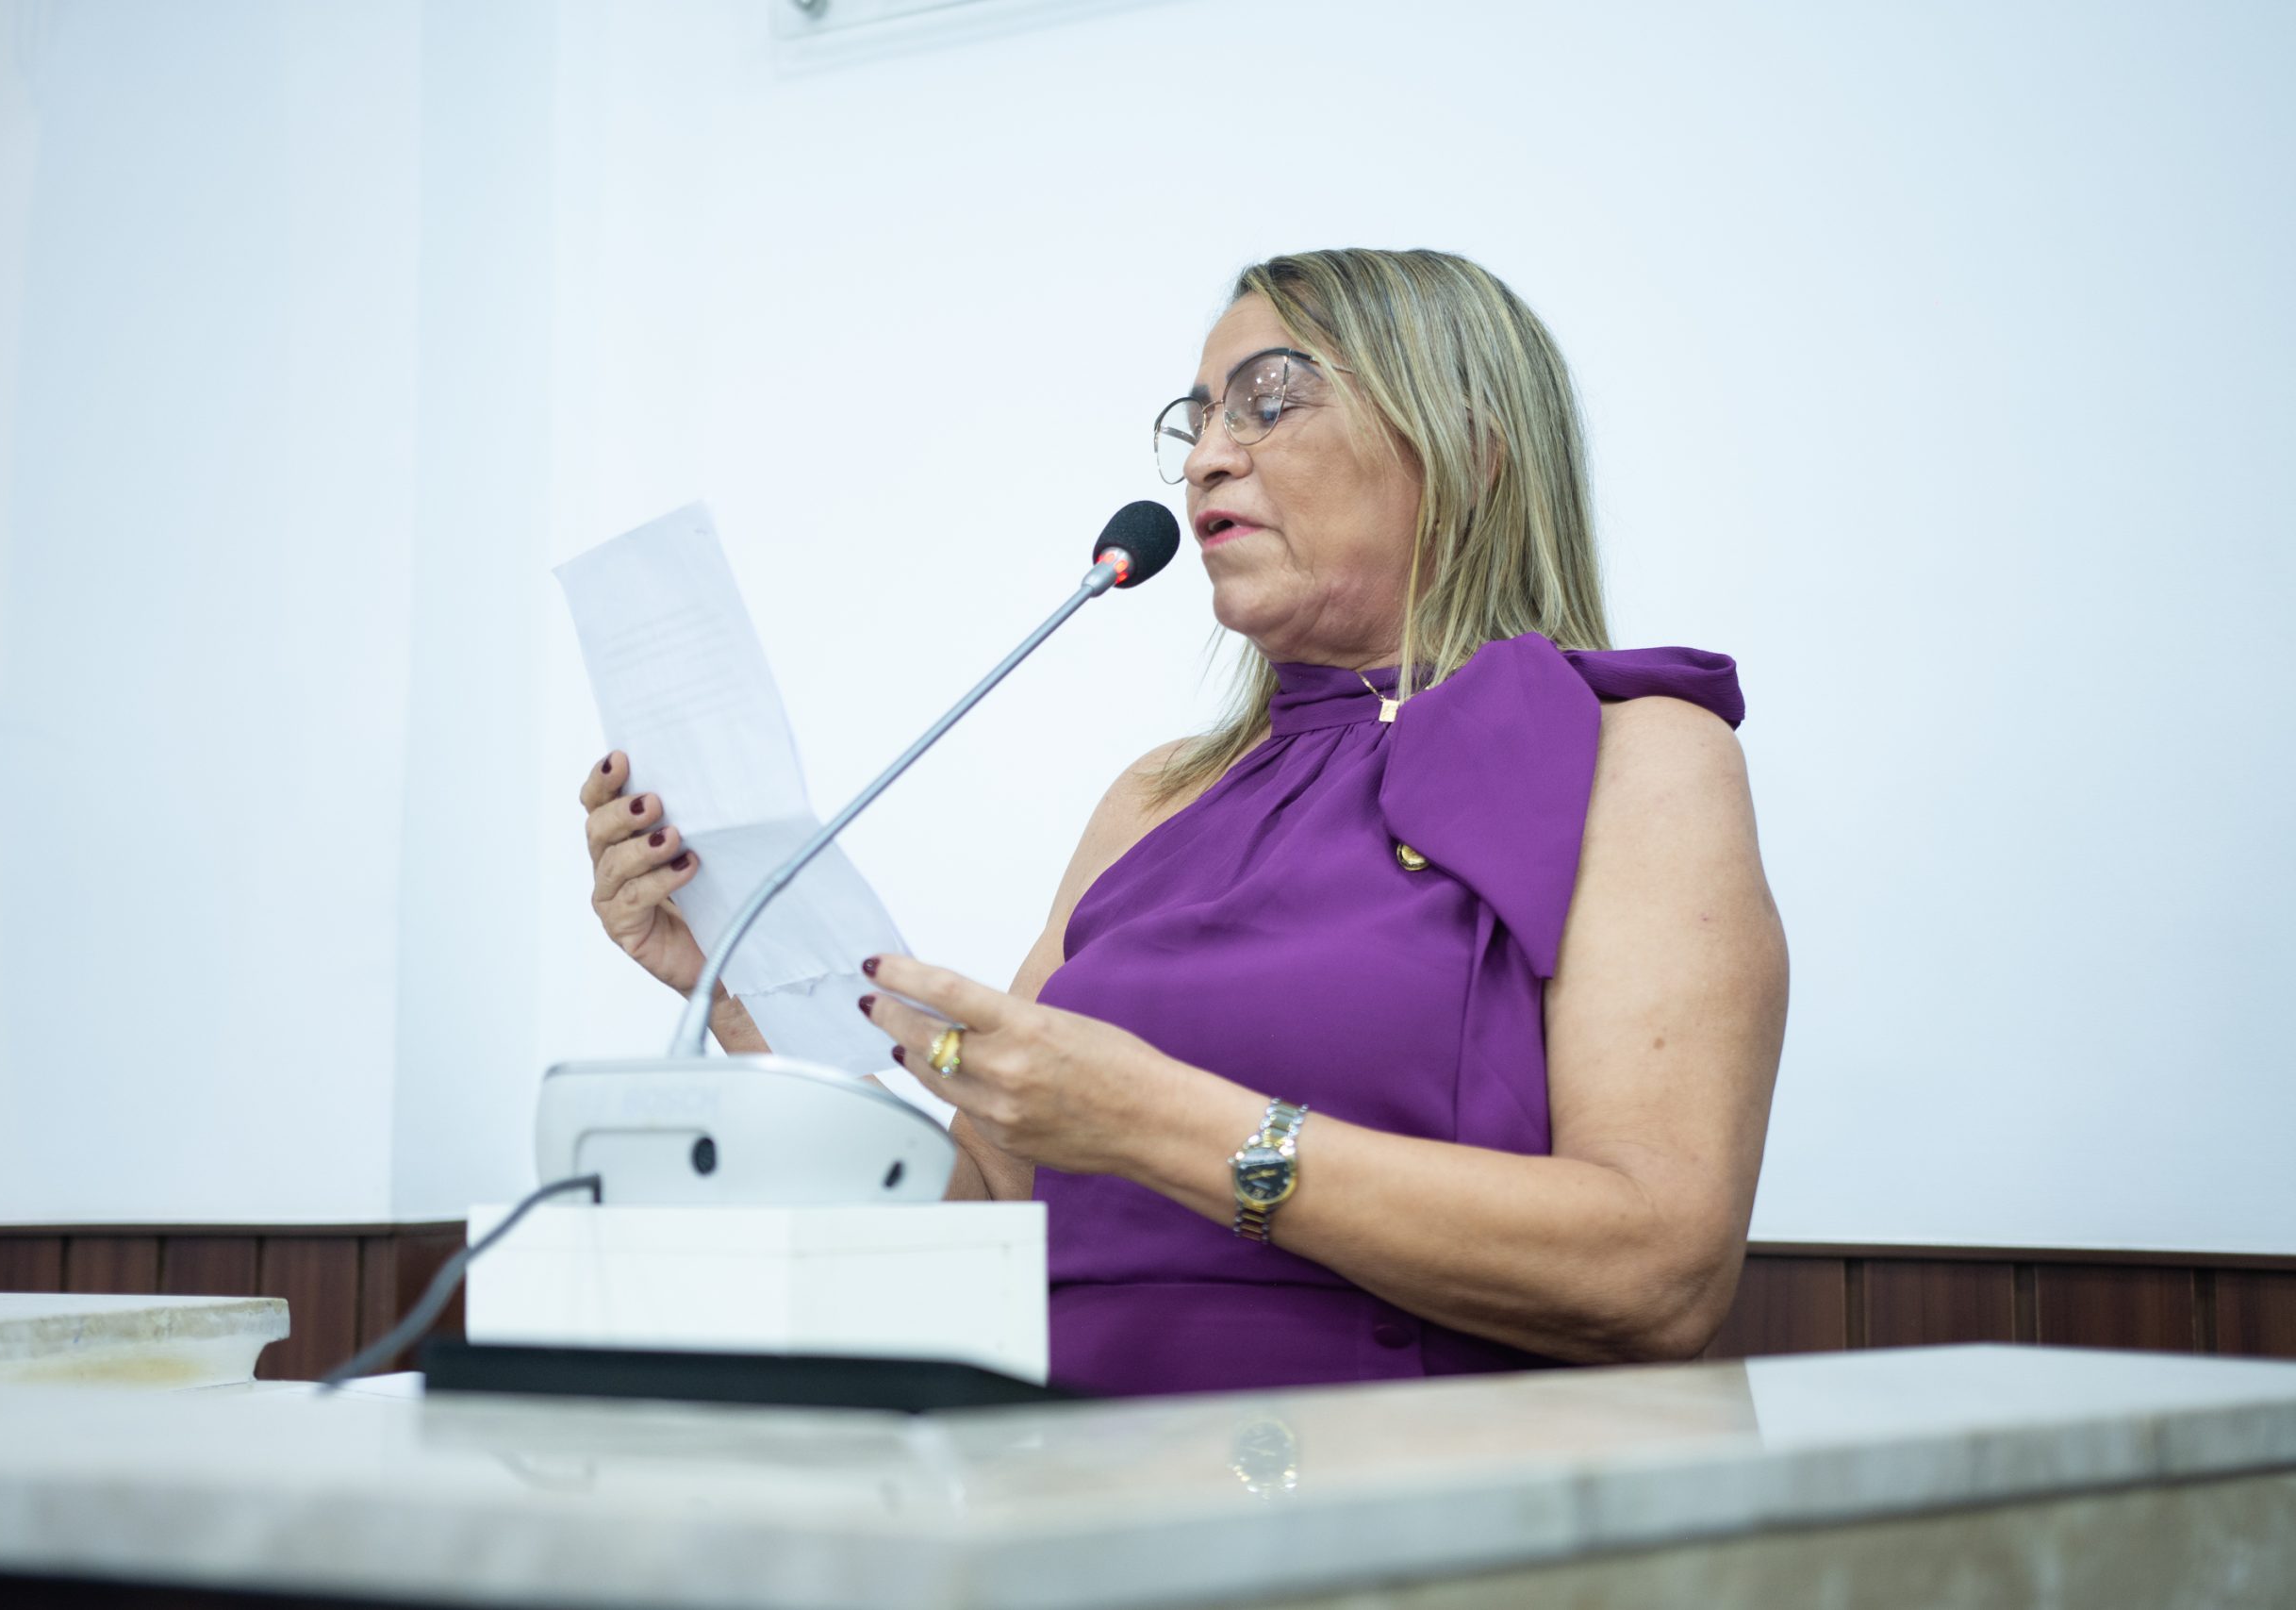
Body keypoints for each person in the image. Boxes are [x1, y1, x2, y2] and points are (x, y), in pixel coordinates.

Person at [578, 248, 1789, 1397]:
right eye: (1198, 419)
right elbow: (983, 1214)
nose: (1207, 456)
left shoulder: (1633, 756)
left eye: (1269, 402)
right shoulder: (1157, 797)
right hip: (1059, 1472)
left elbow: (1658, 1274)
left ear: (1470, 449)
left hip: (1407, 1480)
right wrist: (738, 988)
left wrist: (1153, 1120)